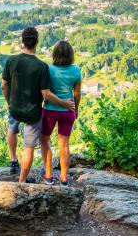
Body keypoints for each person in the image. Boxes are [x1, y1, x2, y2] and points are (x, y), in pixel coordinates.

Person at [2, 27, 75, 183]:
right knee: (28, 147)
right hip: (33, 112)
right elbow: (46, 94)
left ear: (23, 41)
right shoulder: (42, 66)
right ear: (36, 42)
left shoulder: (11, 61)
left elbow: (4, 85)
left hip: (14, 107)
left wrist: (10, 102)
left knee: (12, 129)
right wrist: (65, 104)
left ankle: (13, 159)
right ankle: (22, 180)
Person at [40, 40, 82, 187]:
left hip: (50, 110)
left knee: (45, 141)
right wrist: (76, 109)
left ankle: (49, 175)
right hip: (68, 111)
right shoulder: (76, 71)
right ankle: (64, 178)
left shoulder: (48, 69)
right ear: (70, 54)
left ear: (55, 54)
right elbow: (77, 94)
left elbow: (45, 92)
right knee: (64, 145)